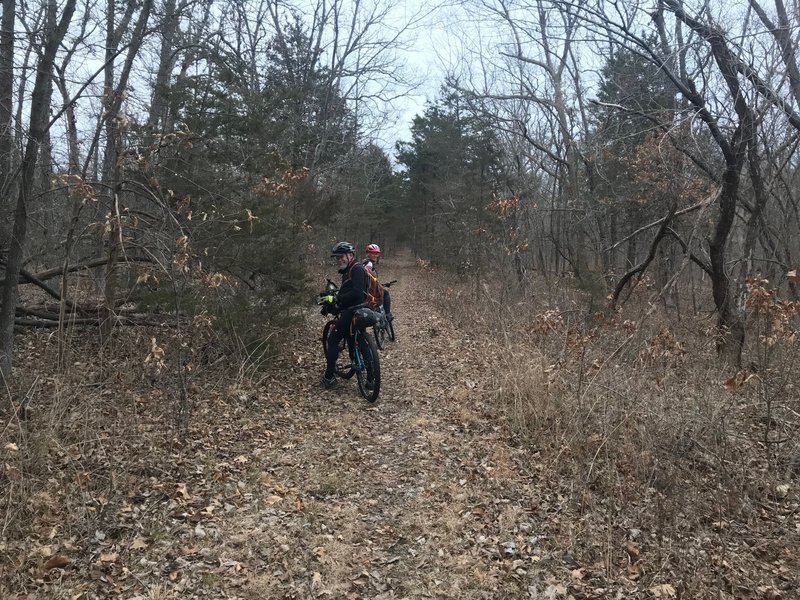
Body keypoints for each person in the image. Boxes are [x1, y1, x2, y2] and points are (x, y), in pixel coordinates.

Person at [320, 241, 369, 390]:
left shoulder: (357, 269)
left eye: (341, 256)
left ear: (350, 255)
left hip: (354, 311)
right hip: (359, 311)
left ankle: (329, 377)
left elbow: (357, 292)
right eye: (337, 257)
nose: (339, 259)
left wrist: (337, 299)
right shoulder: (349, 270)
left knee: (333, 339)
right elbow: (348, 290)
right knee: (360, 341)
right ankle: (370, 379)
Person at [362, 243, 392, 320]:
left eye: (376, 253)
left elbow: (371, 279)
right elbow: (366, 277)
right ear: (368, 253)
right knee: (385, 294)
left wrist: (379, 284)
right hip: (368, 290)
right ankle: (388, 315)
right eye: (372, 253)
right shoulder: (369, 264)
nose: (375, 255)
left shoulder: (364, 262)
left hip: (366, 288)